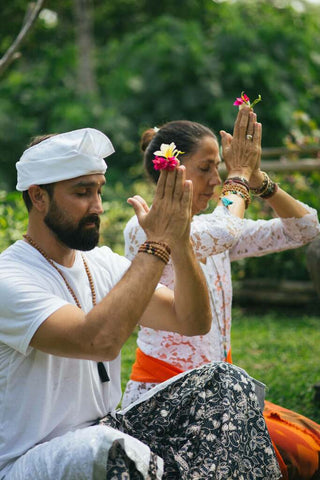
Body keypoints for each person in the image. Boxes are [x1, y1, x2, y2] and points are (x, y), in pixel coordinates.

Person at [0, 127, 282, 480]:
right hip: (33, 460)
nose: (98, 206)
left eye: (98, 191)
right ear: (38, 197)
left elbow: (192, 319)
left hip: (109, 430)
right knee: (102, 446)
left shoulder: (101, 264)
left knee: (225, 381)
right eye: (82, 193)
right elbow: (97, 340)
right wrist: (158, 243)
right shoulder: (9, 278)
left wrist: (179, 243)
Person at [122, 110, 320, 479]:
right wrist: (240, 175)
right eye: (206, 168)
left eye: (219, 168)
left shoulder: (211, 228)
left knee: (312, 445)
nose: (216, 180)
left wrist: (260, 181)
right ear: (173, 171)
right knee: (302, 456)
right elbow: (226, 230)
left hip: (219, 394)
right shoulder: (145, 226)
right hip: (168, 401)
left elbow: (306, 228)